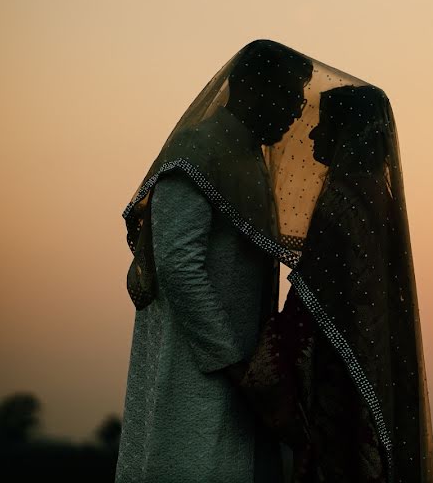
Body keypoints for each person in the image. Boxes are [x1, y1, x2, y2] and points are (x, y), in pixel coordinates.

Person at [116, 39, 313, 482]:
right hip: (196, 375)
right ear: (249, 87)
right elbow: (178, 268)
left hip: (240, 380)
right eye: (289, 94)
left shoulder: (252, 162)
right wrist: (236, 367)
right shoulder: (197, 150)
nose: (297, 110)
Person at [236, 84, 433, 483]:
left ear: (348, 132)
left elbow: (310, 304)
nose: (311, 134)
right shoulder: (378, 194)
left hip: (340, 378)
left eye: (323, 125)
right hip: (370, 366)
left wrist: (260, 370)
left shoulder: (341, 199)